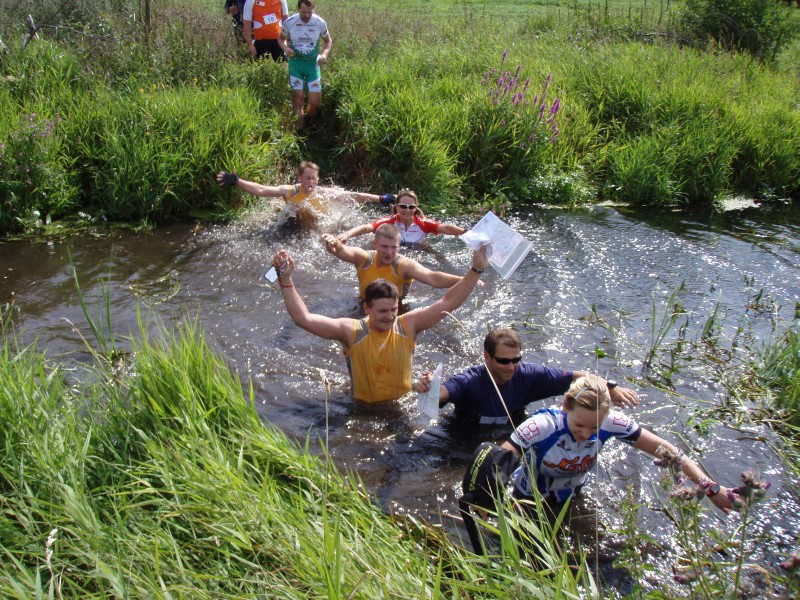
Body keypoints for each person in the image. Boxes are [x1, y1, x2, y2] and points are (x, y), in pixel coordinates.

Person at [271, 245, 490, 402]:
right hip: (362, 409)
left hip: (401, 404)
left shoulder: (407, 325)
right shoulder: (351, 331)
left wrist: (476, 269)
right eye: (383, 311)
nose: (390, 316)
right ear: (367, 308)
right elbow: (303, 318)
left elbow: (448, 302)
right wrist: (286, 279)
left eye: (393, 309)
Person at [413, 328, 639, 427]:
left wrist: (610, 387)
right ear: (487, 357)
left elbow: (577, 377)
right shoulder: (470, 380)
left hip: (512, 428)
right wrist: (427, 387)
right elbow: (444, 391)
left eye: (516, 360)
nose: (511, 367)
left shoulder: (530, 376)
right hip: (466, 431)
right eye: (504, 361)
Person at [216, 161, 395, 227]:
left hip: (315, 225)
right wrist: (237, 181)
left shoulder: (324, 193)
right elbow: (262, 190)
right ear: (300, 178)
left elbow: (353, 195)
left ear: (317, 180)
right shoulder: (289, 191)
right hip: (291, 225)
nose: (310, 182)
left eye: (313, 179)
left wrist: (380, 198)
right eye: (307, 178)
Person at [322, 224, 465, 301]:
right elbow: (342, 250)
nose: (389, 252)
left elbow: (432, 277)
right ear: (375, 244)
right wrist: (333, 243)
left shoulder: (404, 266)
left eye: (394, 247)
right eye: (384, 247)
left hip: (395, 312)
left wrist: (466, 281)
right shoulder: (364, 259)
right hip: (365, 306)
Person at [337, 189, 466, 246]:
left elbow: (446, 228)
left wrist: (465, 232)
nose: (407, 210)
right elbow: (366, 227)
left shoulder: (423, 223)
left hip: (418, 250)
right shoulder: (390, 221)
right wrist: (347, 235)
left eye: (411, 207)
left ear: (415, 208)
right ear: (397, 207)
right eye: (403, 206)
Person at [278, 0, 332, 131]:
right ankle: (299, 131)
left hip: (312, 66)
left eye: (310, 12)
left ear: (313, 9)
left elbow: (328, 41)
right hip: (296, 66)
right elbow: (280, 38)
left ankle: (308, 121)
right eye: (304, 12)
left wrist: (324, 55)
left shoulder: (319, 23)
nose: (307, 15)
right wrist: (286, 48)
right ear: (298, 9)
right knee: (298, 99)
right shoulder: (290, 22)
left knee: (315, 103)